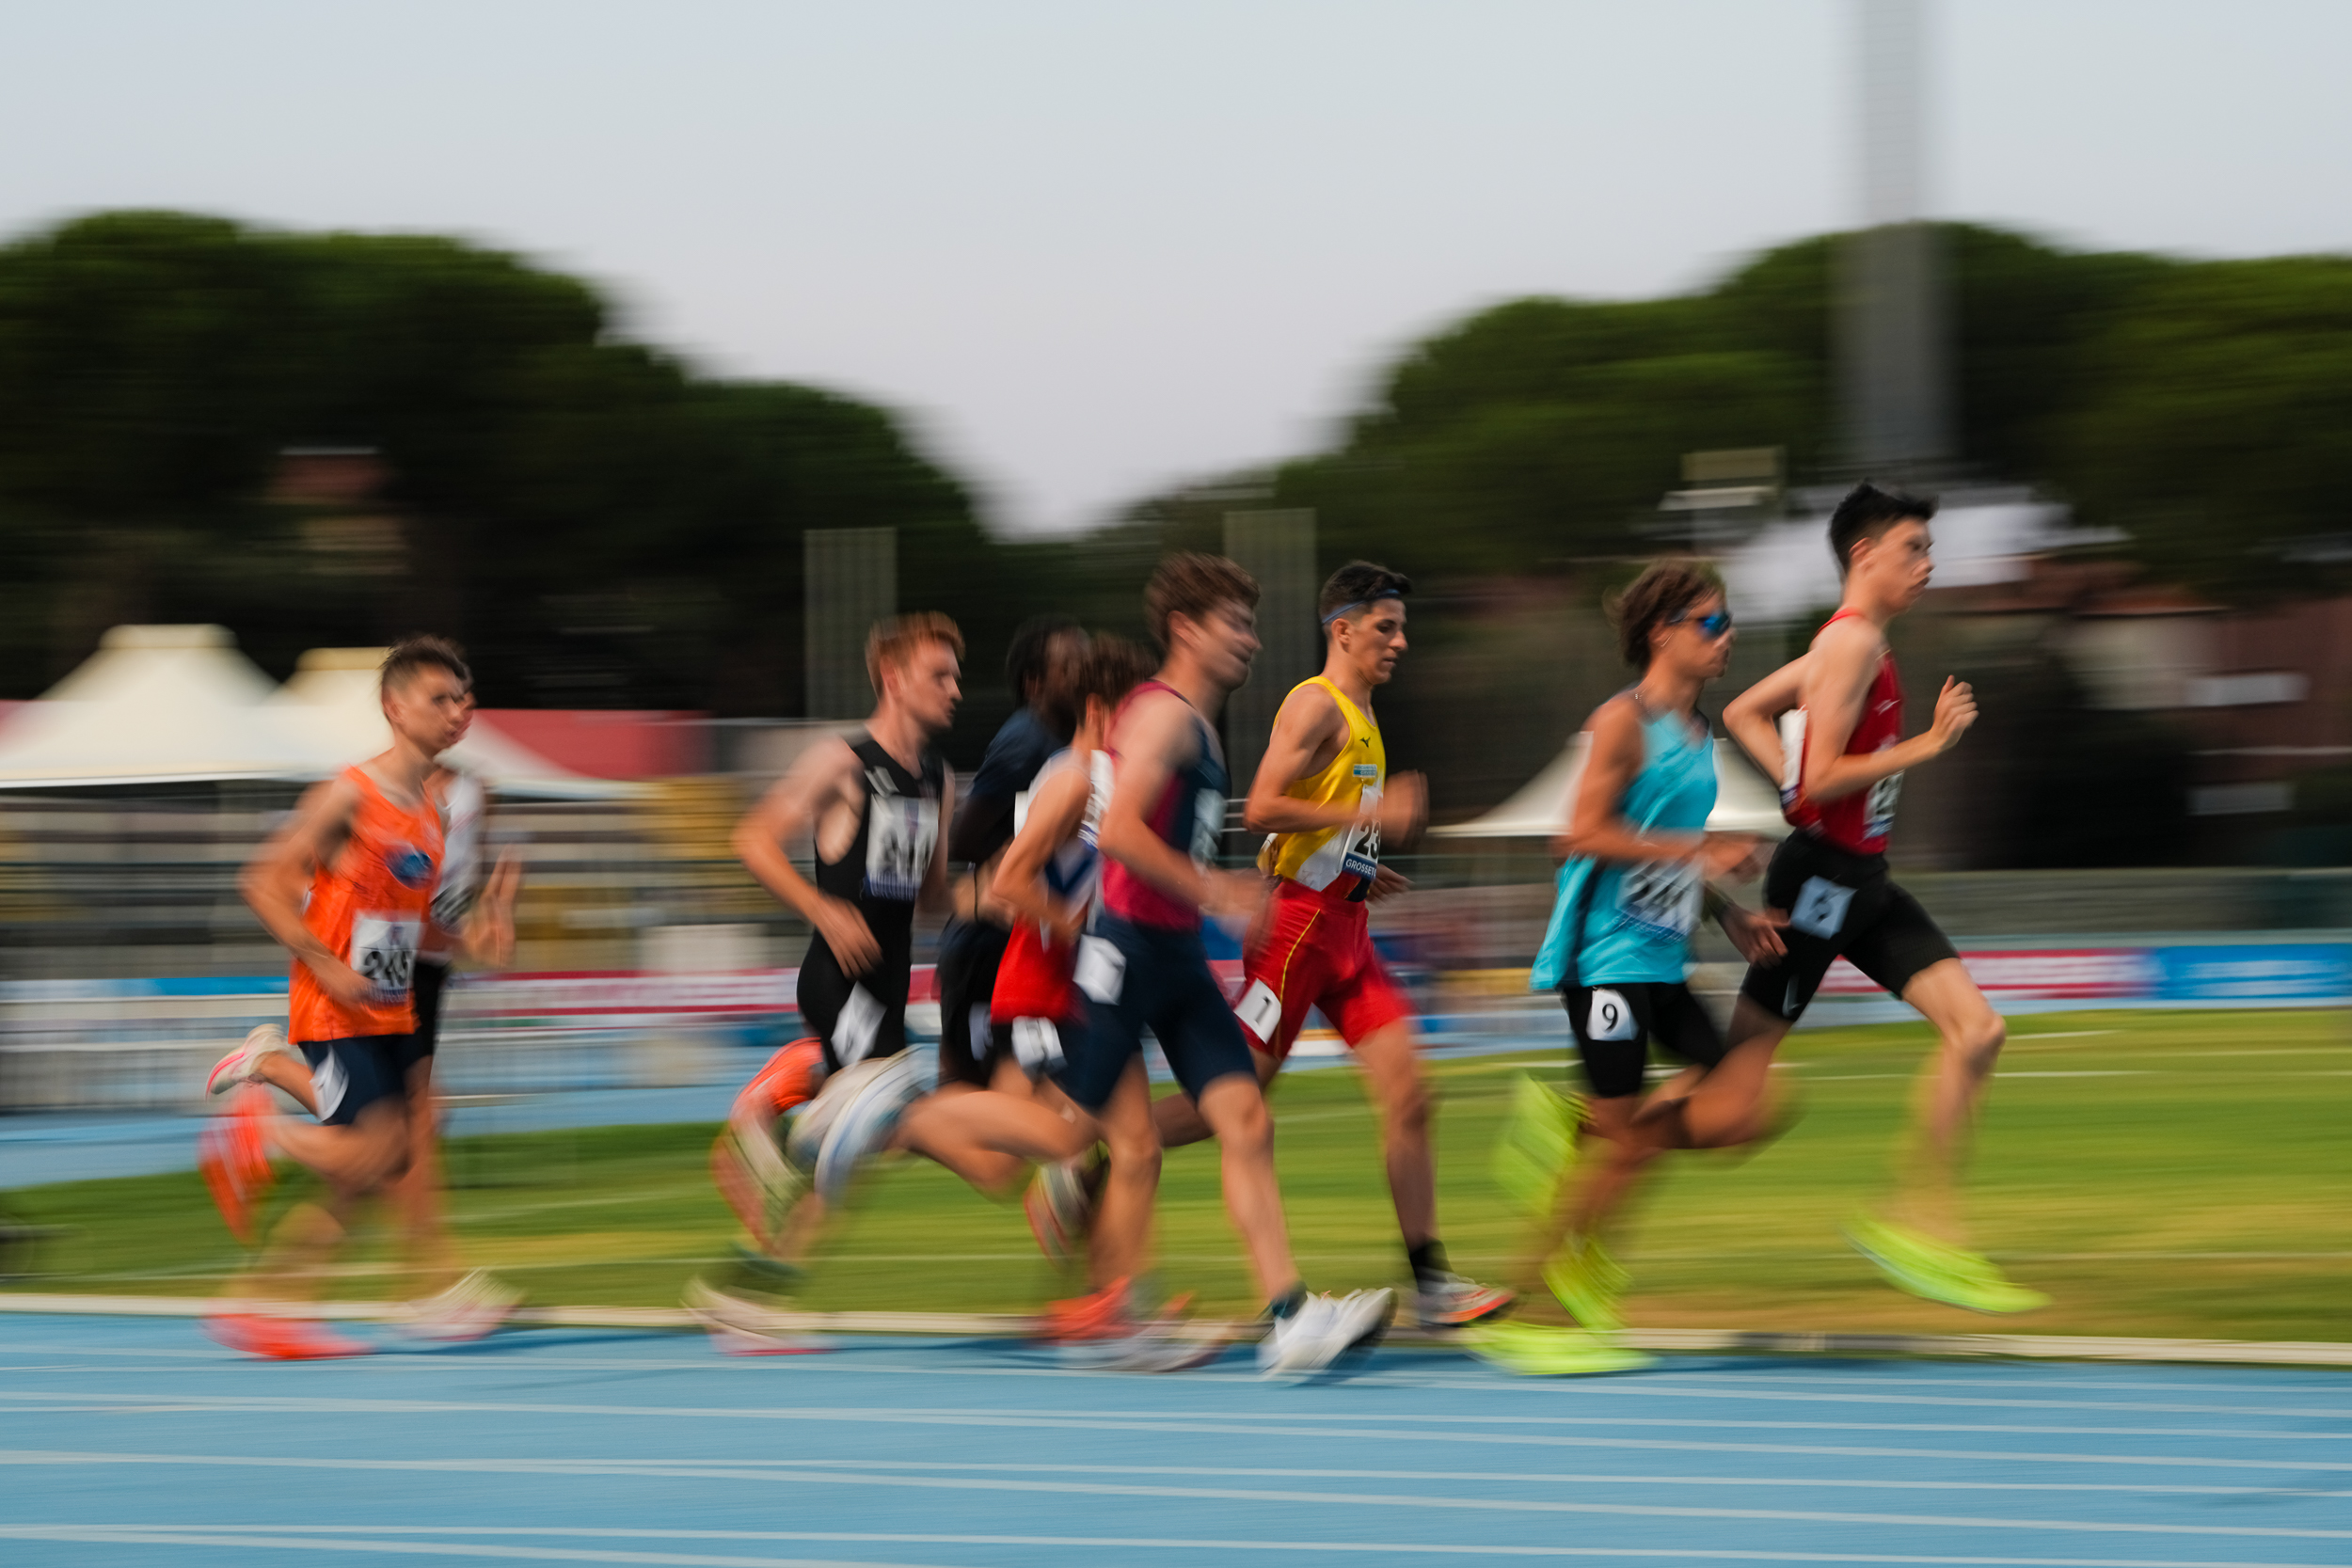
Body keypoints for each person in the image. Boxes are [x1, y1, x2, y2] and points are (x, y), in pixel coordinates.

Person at [1143, 561, 1510, 1330]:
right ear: (1341, 630)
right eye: (1385, 627)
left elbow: (1313, 821)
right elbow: (1263, 807)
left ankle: (1432, 1282)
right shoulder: (1315, 704)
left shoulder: (1365, 714)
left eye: (1402, 628)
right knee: (1233, 1104)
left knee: (1412, 1093)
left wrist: (1359, 865)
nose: (1400, 642)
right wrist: (1369, 820)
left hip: (1348, 933)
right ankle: (1107, 1151)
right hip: (1296, 937)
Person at [1057, 553, 1395, 1377]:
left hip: (1175, 955)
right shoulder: (1162, 716)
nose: (1252, 639)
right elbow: (1122, 832)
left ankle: (1290, 1316)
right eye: (1236, 624)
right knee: (1059, 1136)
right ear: (1186, 629)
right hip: (1125, 949)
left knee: (1245, 1119)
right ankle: (897, 1117)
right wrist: (1216, 890)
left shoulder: (1201, 730)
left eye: (1251, 623)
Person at [1720, 482, 2046, 1314]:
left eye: (1929, 550)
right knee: (1735, 1091)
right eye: (1914, 549)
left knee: (1979, 1031)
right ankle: (1593, 1122)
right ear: (1864, 554)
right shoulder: (1851, 644)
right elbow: (1822, 776)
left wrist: (1796, 788)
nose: (1928, 565)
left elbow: (1744, 710)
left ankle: (1919, 1225)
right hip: (1821, 884)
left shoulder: (1853, 641)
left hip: (1862, 878)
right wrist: (1926, 746)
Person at [1482, 562, 1788, 1369]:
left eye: (1727, 621)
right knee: (1625, 1151)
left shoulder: (1699, 737)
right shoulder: (1622, 722)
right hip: (1604, 962)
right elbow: (1578, 835)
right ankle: (1536, 1314)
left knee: (1748, 1105)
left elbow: (1670, 853)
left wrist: (1730, 912)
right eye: (1711, 622)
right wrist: (1700, 851)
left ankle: (1576, 1124)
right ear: (1662, 632)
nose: (1727, 636)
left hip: (1664, 961)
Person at [200, 637, 517, 1358]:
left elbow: (420, 920)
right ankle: (257, 1129)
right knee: (375, 1146)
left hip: (392, 998)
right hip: (334, 1001)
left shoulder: (431, 809)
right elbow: (262, 882)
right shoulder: (347, 793)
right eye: (440, 698)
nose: (458, 711)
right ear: (394, 707)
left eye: (462, 699)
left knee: (385, 1161)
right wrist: (324, 960)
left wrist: (477, 937)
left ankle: (271, 1308)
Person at [689, 613, 965, 1344]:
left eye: (957, 675)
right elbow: (752, 838)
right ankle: (772, 1133)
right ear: (894, 678)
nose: (956, 689)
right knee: (865, 1131)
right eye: (940, 674)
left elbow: (933, 897)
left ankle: (749, 1282)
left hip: (889, 985)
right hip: (837, 980)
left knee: (871, 1142)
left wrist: (1002, 894)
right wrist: (823, 908)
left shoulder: (938, 778)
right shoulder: (840, 761)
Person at [933, 616, 1088, 1091]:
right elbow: (965, 838)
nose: (1084, 674)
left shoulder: (1068, 744)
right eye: (1071, 666)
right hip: (984, 948)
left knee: (1027, 1096)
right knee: (972, 1091)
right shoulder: (1026, 740)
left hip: (1022, 944)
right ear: (1034, 683)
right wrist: (1016, 866)